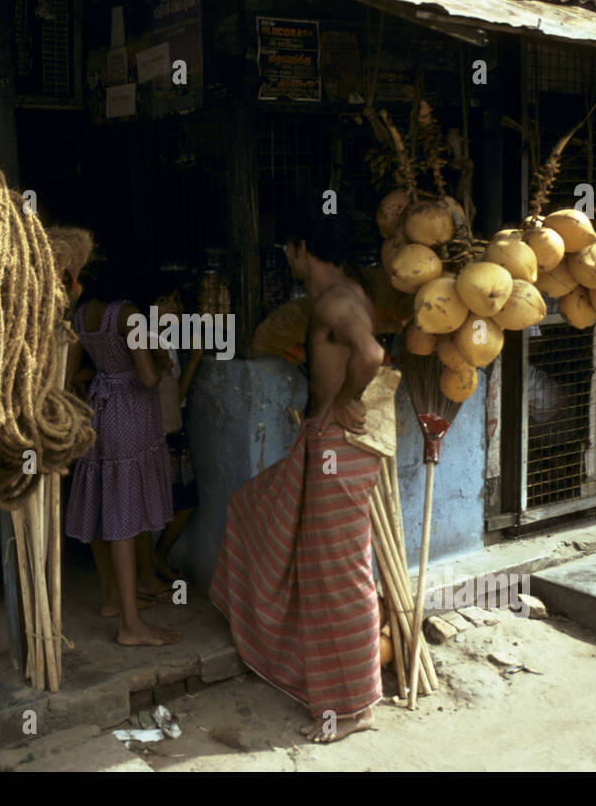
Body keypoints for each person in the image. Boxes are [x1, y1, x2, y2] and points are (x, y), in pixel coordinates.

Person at [209, 209, 385, 743]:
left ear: (302, 248)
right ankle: (316, 678)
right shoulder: (348, 292)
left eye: (288, 249)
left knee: (341, 576)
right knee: (251, 509)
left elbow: (372, 354)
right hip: (326, 445)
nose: (286, 258)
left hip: (338, 448)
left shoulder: (335, 300)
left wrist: (341, 403)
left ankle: (354, 707)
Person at [65, 267, 180, 647]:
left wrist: (104, 375)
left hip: (99, 412)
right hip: (130, 416)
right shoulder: (128, 314)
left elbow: (72, 373)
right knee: (126, 521)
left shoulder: (82, 315)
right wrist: (162, 361)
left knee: (106, 507)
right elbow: (147, 376)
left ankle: (113, 601)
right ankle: (131, 625)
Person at [147, 275, 203, 584]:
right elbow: (176, 396)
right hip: (162, 434)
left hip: (170, 431)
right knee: (178, 501)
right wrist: (195, 359)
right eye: (165, 302)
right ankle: (152, 563)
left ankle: (156, 558)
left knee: (181, 502)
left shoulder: (162, 341)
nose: (174, 308)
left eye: (177, 302)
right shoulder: (153, 344)